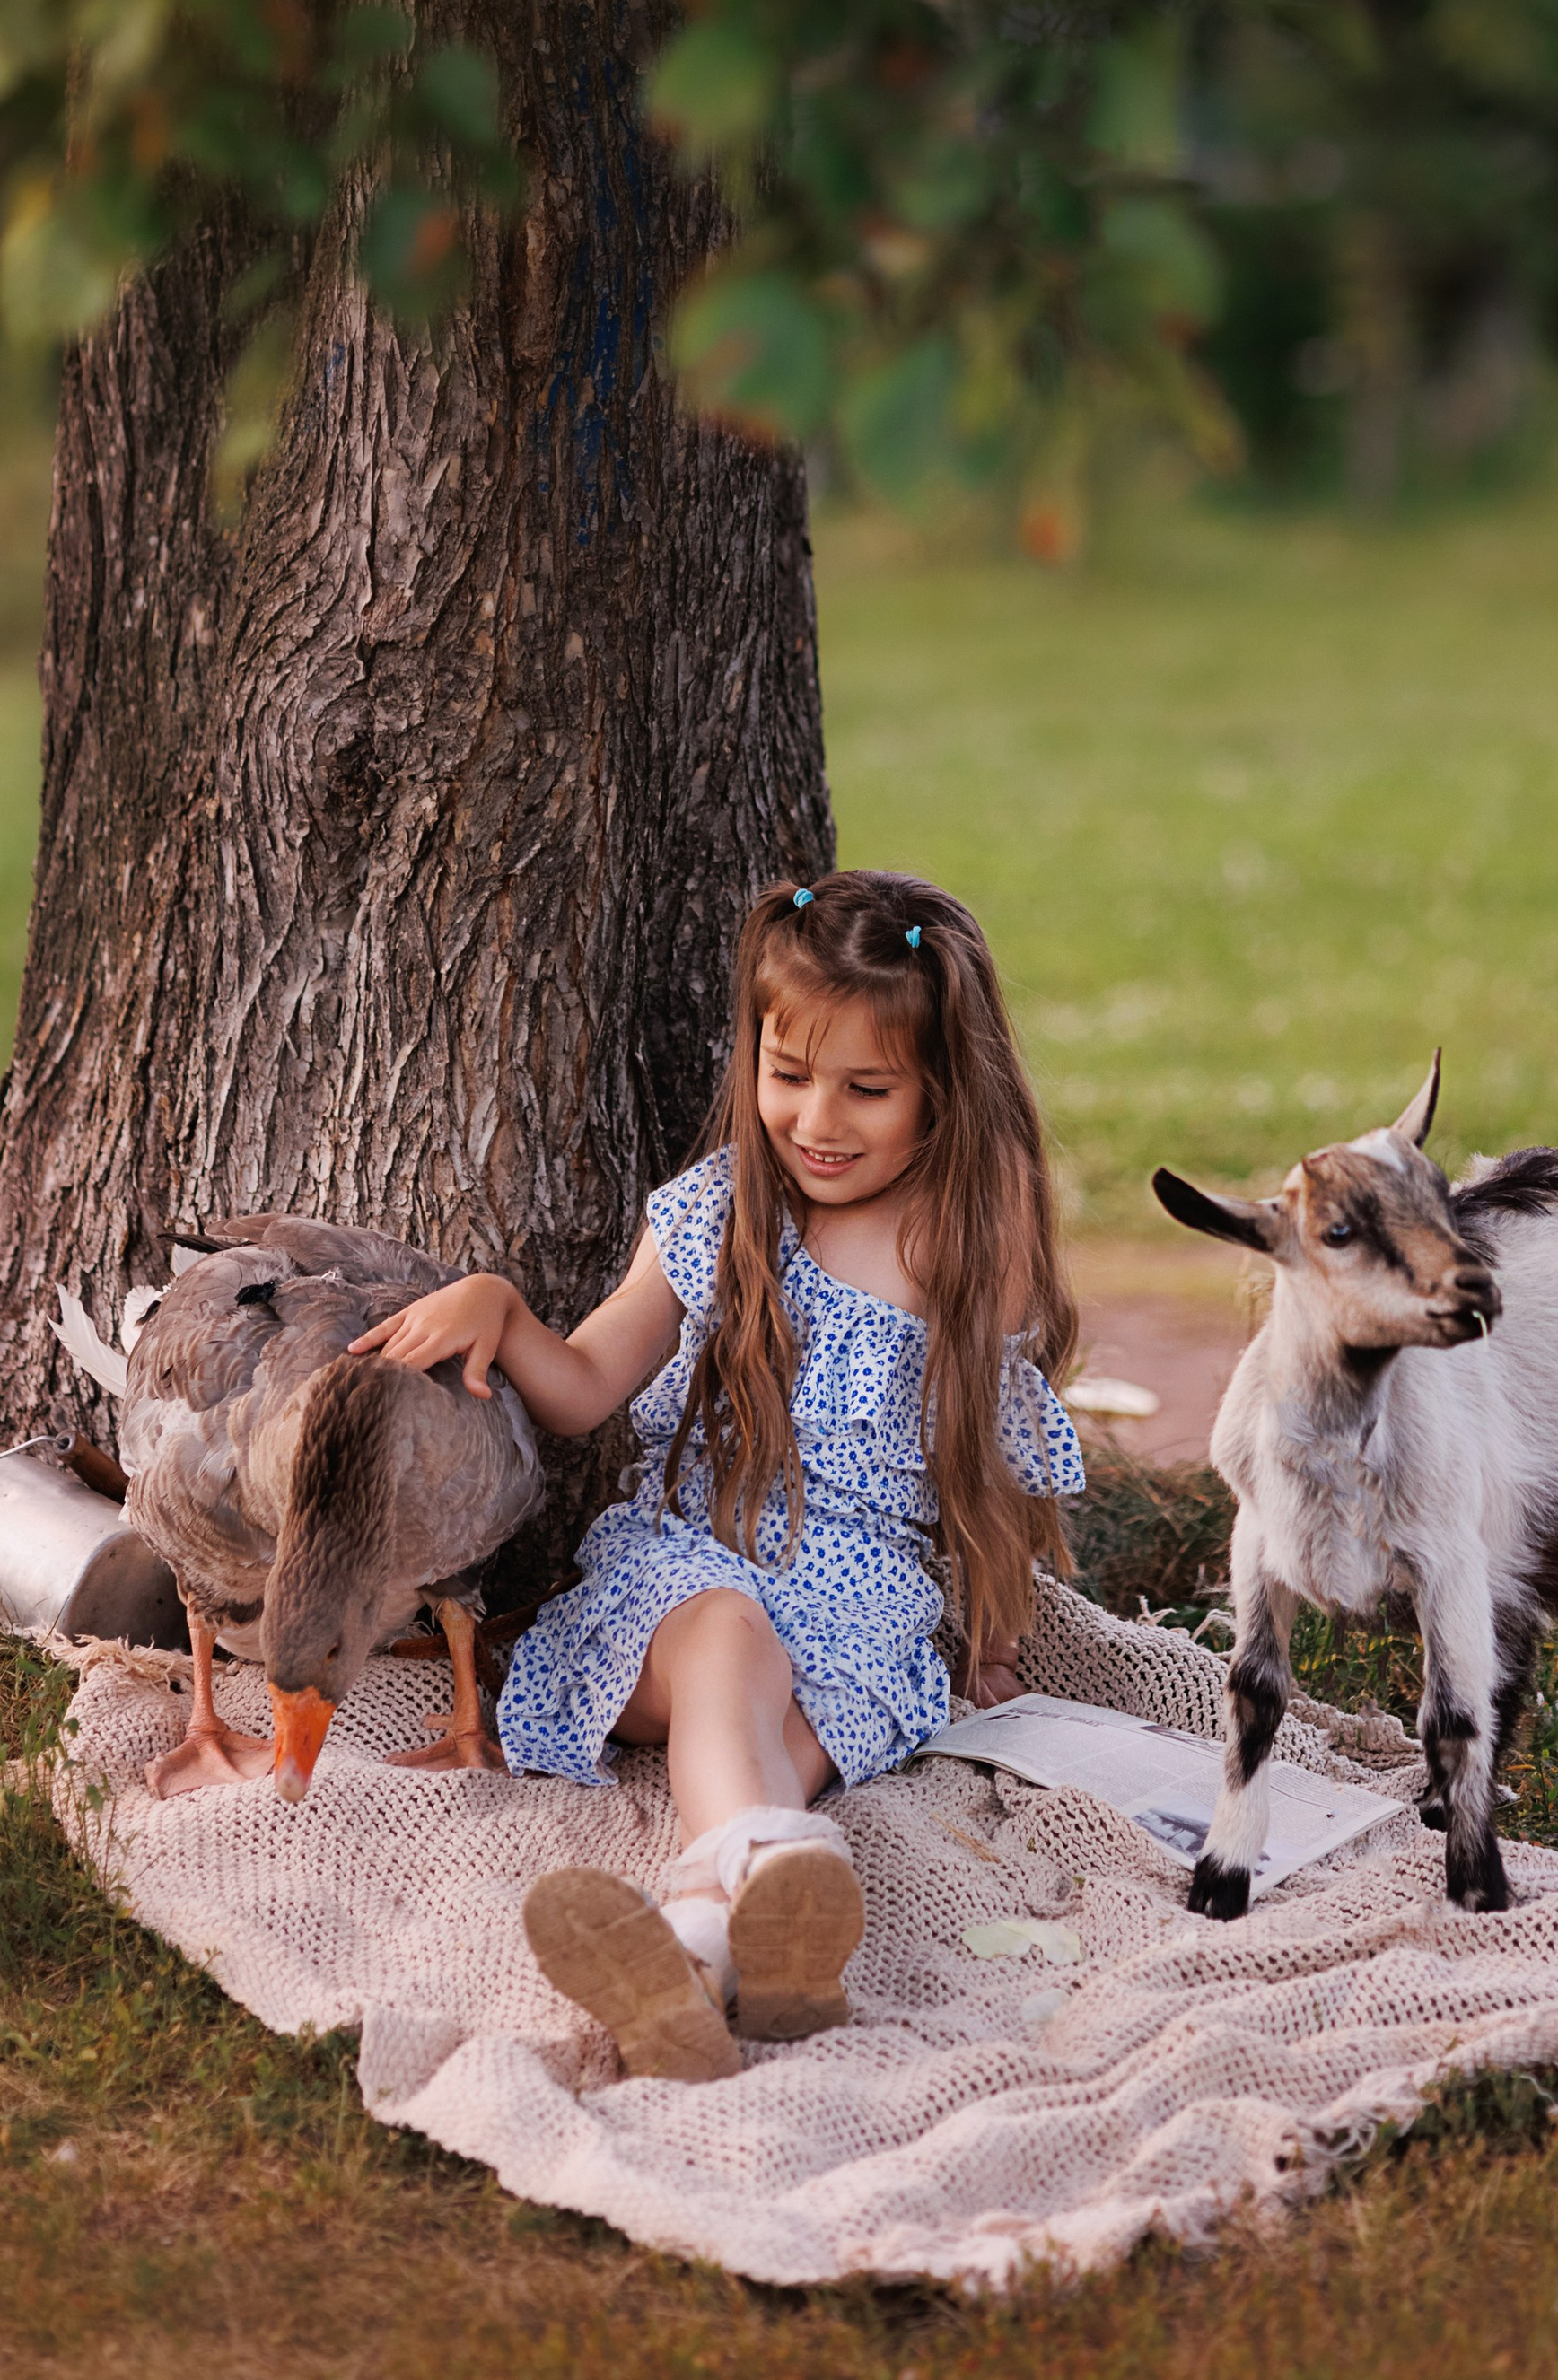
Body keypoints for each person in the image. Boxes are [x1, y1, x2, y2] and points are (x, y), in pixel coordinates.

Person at [351, 867, 1084, 2081]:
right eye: (788, 1075)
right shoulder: (720, 1209)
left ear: (943, 1095)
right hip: (682, 1588)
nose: (817, 1120)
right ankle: (758, 1881)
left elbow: (985, 1478)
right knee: (731, 1646)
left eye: (868, 1089)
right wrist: (503, 1309)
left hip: (862, 1620)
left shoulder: (962, 1247)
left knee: (775, 1736)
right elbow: (586, 1385)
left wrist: (992, 1647)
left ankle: (703, 1953)